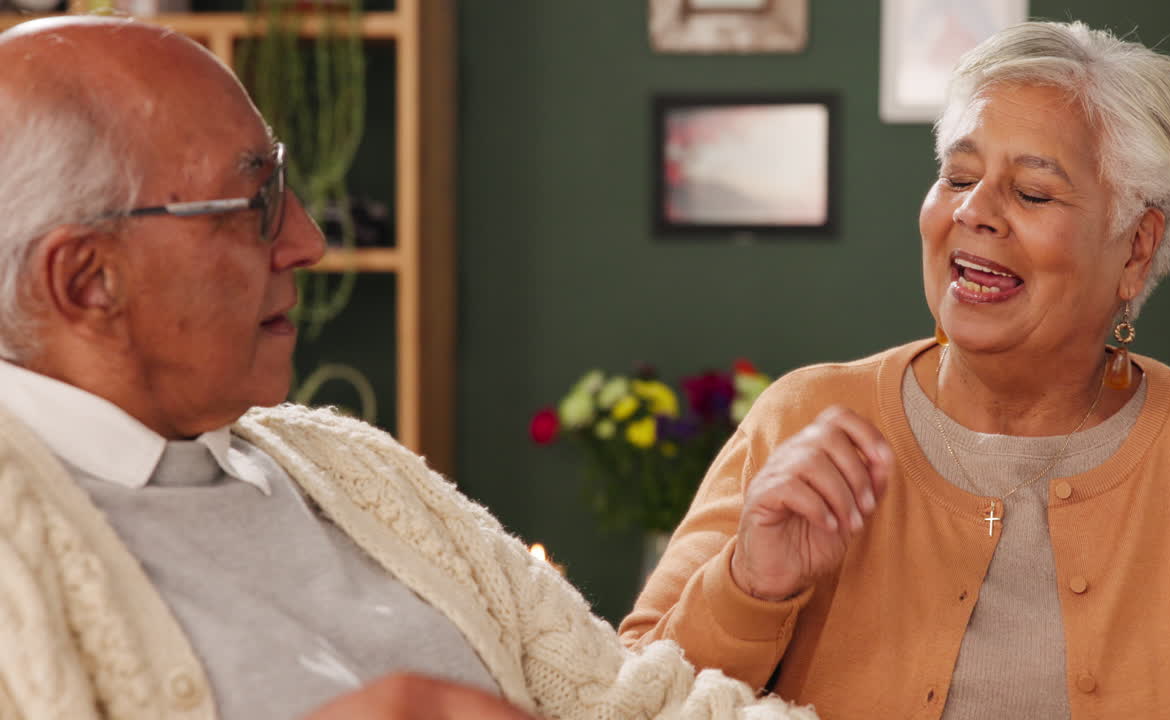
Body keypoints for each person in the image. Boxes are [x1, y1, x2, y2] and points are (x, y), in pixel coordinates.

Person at [0, 16, 819, 720]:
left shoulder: (355, 470)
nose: (307, 240)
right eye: (251, 203)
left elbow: (637, 704)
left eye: (281, 182)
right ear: (87, 281)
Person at [620, 20, 1170, 720]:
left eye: (1030, 192)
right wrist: (750, 583)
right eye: (958, 177)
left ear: (1138, 248)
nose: (972, 211)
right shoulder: (801, 414)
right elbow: (629, 700)